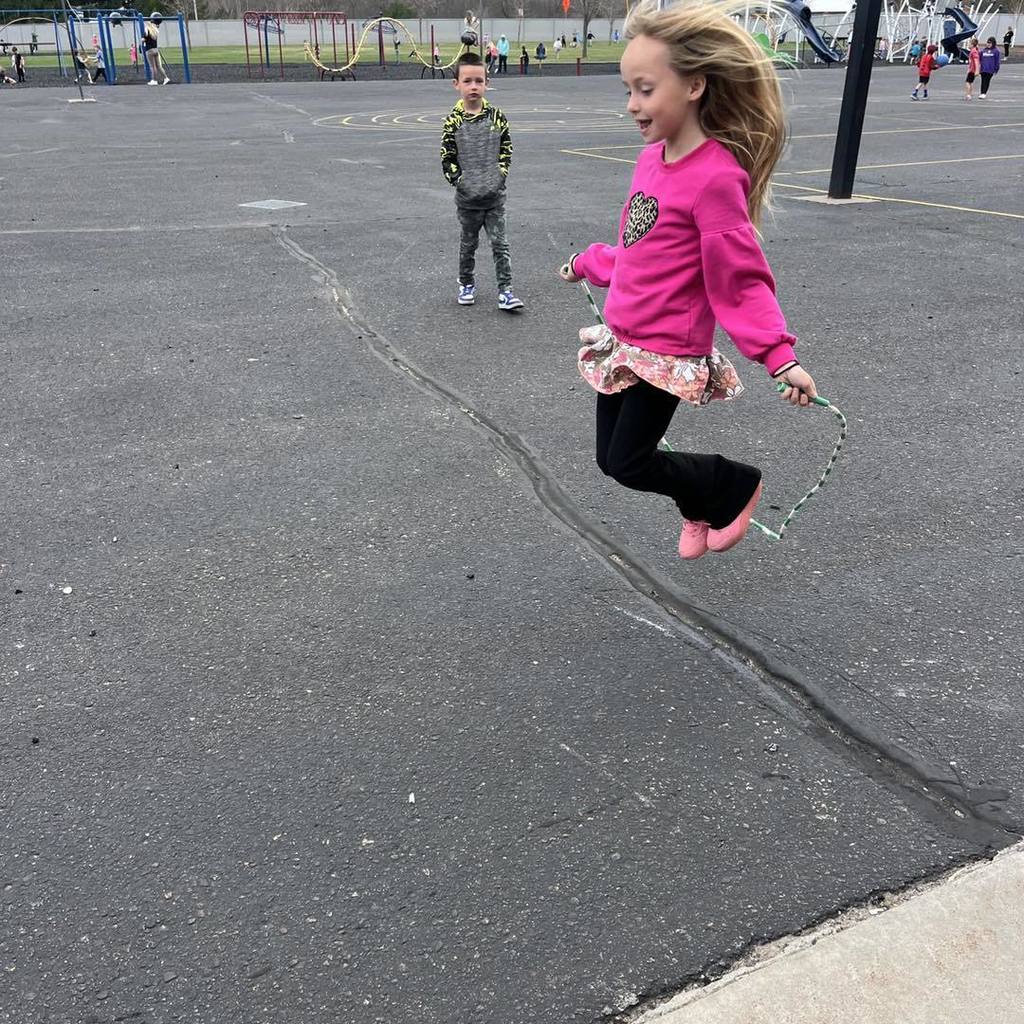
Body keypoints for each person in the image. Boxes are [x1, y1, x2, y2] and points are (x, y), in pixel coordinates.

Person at [559, 0, 818, 560]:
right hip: (624, 342)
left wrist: (778, 354)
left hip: (666, 350)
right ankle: (699, 501)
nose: (632, 105)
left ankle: (732, 482)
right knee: (613, 461)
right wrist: (591, 263)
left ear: (695, 85)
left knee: (628, 460)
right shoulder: (652, 158)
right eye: (628, 90)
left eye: (645, 89)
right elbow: (639, 246)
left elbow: (740, 282)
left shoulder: (716, 178)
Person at [441, 53, 524, 312]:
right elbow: (447, 156)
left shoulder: (497, 117)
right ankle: (466, 283)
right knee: (468, 244)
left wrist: (500, 175)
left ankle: (506, 291)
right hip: (468, 200)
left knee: (500, 244)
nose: (474, 86)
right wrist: (460, 181)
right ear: (457, 84)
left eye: (479, 80)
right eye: (468, 81)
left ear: (487, 82)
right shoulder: (453, 121)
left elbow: (506, 148)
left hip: (493, 197)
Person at [143, 12, 170, 85]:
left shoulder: (147, 30)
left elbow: (144, 39)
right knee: (159, 66)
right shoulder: (155, 31)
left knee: (153, 66)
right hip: (156, 50)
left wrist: (143, 39)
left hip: (149, 50)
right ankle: (166, 78)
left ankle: (154, 80)